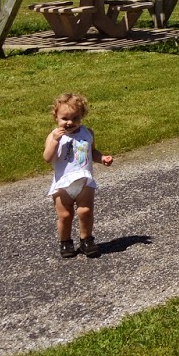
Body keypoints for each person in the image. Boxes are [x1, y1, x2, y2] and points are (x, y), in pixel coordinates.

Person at [44, 92, 114, 258]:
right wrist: (54, 141)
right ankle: (65, 242)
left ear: (82, 116)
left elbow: (92, 152)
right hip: (63, 183)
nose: (70, 123)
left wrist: (102, 158)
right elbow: (47, 158)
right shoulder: (54, 136)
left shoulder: (87, 133)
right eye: (65, 119)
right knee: (65, 215)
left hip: (84, 180)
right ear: (56, 117)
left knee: (85, 212)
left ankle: (86, 239)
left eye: (75, 118)